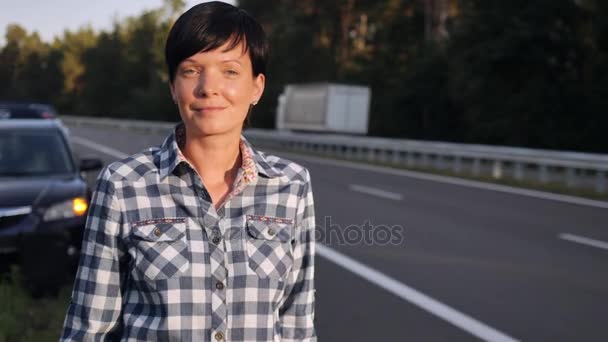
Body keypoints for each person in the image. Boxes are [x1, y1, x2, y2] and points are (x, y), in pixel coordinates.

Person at [60, 2, 316, 341]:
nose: (208, 87)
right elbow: (89, 329)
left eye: (229, 71)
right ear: (172, 87)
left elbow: (297, 327)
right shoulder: (123, 185)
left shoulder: (291, 185)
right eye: (191, 70)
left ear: (257, 86)